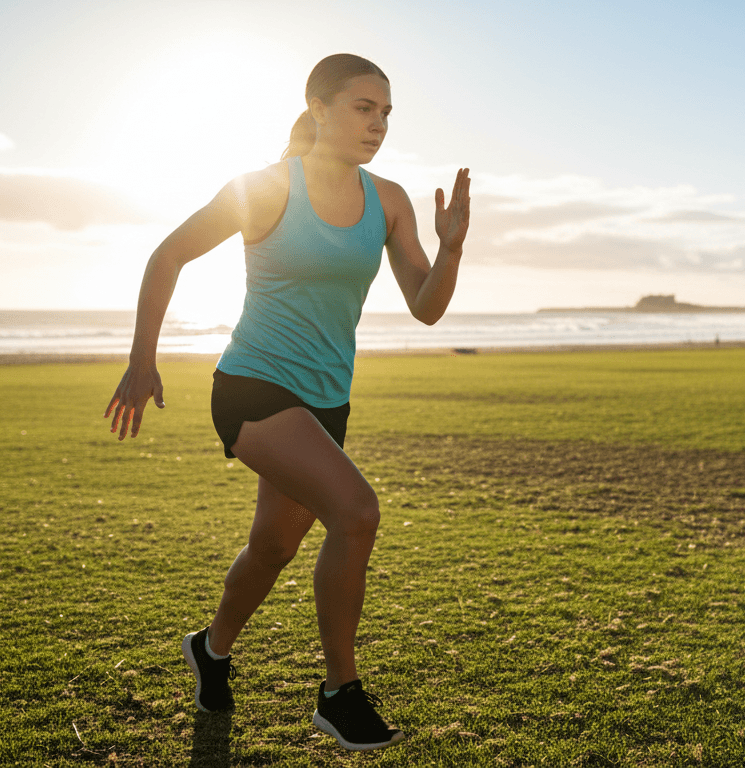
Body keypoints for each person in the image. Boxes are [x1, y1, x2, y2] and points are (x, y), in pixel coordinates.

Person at [103, 53, 470, 752]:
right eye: (363, 108)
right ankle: (340, 694)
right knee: (357, 511)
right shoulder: (267, 188)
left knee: (273, 546)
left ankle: (210, 648)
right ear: (319, 108)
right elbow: (167, 255)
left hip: (326, 403)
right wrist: (142, 359)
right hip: (252, 386)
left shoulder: (389, 200)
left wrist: (450, 250)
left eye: (386, 113)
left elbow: (426, 307)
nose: (378, 124)